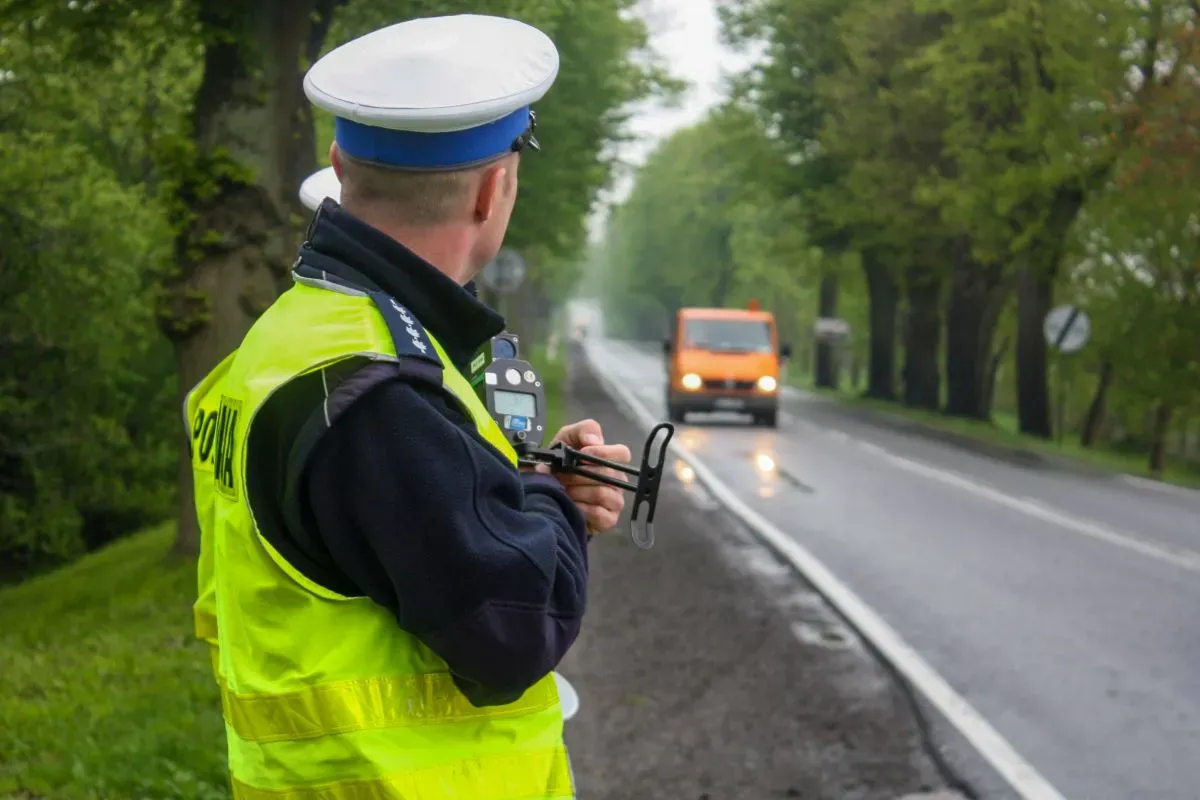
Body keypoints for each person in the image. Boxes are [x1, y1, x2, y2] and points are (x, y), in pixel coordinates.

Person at [186, 14, 630, 800]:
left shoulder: (289, 336)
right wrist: (550, 504)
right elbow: (516, 623)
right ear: (494, 188)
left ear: (338, 165)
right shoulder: (381, 389)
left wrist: (516, 486)